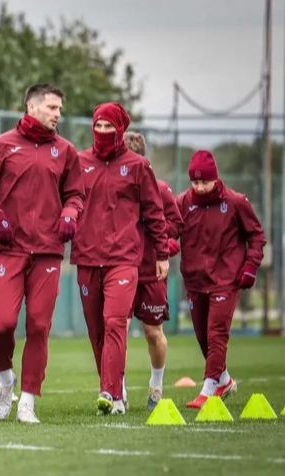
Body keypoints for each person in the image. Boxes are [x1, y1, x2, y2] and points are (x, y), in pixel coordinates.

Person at [0, 83, 85, 423]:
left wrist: (70, 214)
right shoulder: (0, 146)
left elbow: (76, 195)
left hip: (48, 251)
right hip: (9, 249)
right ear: (32, 107)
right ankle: (5, 378)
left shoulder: (66, 151)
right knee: (2, 323)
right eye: (52, 107)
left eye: (59, 109)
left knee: (39, 326)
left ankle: (28, 401)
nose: (57, 114)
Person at [71, 102, 169, 416]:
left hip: (124, 259)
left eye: (108, 127)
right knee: (97, 330)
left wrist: (162, 253)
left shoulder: (139, 166)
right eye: (98, 126)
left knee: (115, 322)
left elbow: (154, 213)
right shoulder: (79, 162)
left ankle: (111, 394)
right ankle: (114, 388)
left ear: (121, 130)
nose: (102, 132)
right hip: (87, 258)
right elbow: (67, 202)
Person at [176, 150, 265, 409]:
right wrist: (167, 243)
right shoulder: (182, 202)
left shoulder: (236, 202)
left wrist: (250, 266)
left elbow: (256, 237)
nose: (199, 187)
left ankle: (208, 391)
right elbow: (169, 228)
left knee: (217, 333)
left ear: (215, 178)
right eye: (195, 182)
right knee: (203, 336)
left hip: (225, 279)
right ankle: (224, 380)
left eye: (204, 181)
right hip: (195, 280)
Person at [123, 132, 184, 410]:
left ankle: (156, 386)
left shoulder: (160, 190)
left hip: (151, 273)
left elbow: (176, 225)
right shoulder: (113, 189)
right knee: (118, 330)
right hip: (121, 269)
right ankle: (117, 390)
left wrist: (160, 240)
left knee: (152, 332)